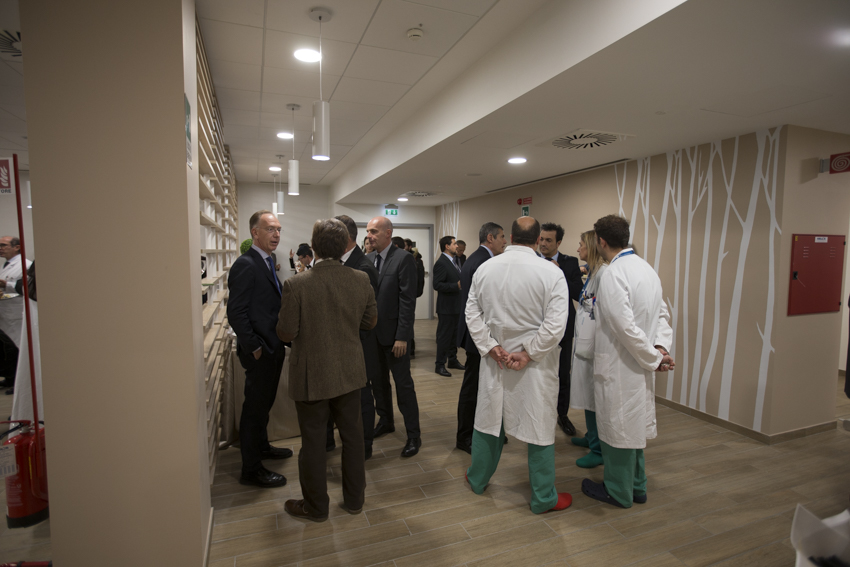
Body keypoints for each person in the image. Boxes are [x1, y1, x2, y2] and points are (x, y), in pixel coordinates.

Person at [464, 217, 572, 514]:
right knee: (539, 425)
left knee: (490, 420)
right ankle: (543, 497)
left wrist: (490, 346)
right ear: (538, 240)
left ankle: (477, 478)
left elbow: (471, 313)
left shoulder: (486, 268)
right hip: (535, 365)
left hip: (496, 359)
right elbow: (556, 325)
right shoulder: (552, 272)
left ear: (510, 237)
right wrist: (528, 353)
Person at [277, 218, 377, 522]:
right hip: (349, 371)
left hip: (312, 374)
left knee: (313, 443)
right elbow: (369, 322)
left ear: (314, 246)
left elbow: (285, 332)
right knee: (353, 438)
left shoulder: (296, 284)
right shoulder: (360, 279)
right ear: (345, 244)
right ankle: (355, 500)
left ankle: (316, 507)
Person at [581, 214, 674, 508]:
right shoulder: (647, 269)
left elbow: (623, 327)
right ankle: (637, 485)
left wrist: (654, 357)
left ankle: (618, 491)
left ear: (601, 241)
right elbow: (662, 315)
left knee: (618, 429)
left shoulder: (613, 274)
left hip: (620, 365)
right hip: (639, 363)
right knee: (633, 428)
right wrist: (660, 348)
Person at [227, 210, 293, 488]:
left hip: (272, 347)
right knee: (254, 410)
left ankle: (262, 447)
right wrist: (254, 346)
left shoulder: (267, 261)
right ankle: (251, 469)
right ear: (255, 232)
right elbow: (236, 312)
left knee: (263, 405)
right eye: (270, 229)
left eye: (278, 229)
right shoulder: (246, 264)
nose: (276, 234)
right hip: (260, 351)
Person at [365, 216, 422, 457]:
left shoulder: (403, 259)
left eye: (374, 231)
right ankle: (386, 421)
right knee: (378, 384)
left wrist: (402, 337)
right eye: (368, 231)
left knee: (403, 385)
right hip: (372, 337)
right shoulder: (368, 260)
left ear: (388, 232)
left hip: (395, 337)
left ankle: (413, 435)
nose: (369, 235)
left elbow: (407, 301)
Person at [325, 214, 381, 460]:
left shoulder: (362, 267)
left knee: (361, 398)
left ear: (344, 238)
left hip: (359, 344)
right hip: (340, 344)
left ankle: (364, 446)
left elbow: (366, 315)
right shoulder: (339, 262)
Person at [455, 222, 506, 454]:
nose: (505, 241)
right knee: (473, 386)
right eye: (502, 237)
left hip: (475, 332)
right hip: (478, 334)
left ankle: (480, 432)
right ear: (490, 238)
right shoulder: (483, 262)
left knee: (479, 385)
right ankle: (465, 436)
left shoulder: (476, 258)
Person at [538, 223, 584, 437]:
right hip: (537, 327)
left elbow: (578, 293)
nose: (543, 243)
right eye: (541, 239)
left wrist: (560, 273)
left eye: (548, 240)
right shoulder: (532, 261)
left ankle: (562, 415)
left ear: (558, 243)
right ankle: (538, 414)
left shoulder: (570, 263)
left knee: (563, 374)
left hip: (563, 328)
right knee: (537, 374)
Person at [569, 230, 607, 468]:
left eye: (581, 244)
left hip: (594, 347)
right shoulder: (593, 272)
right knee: (585, 393)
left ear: (591, 247)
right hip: (585, 343)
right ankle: (591, 436)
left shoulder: (604, 274)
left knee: (593, 396)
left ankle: (598, 448)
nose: (578, 249)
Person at [0, 236, 31, 393]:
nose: (0, 248)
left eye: (3, 245)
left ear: (17, 247)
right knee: (7, 348)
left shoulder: (25, 265)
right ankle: (11, 378)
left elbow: (28, 288)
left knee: (19, 348)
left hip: (17, 313)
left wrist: (6, 285)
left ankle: (21, 383)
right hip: (6, 313)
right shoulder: (7, 265)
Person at [432, 235, 465, 377]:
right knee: (444, 337)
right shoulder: (441, 263)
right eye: (454, 243)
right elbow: (437, 285)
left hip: (455, 306)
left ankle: (452, 360)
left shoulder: (453, 261)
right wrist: (456, 286)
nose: (457, 246)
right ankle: (439, 364)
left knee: (453, 337)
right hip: (446, 308)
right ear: (447, 246)